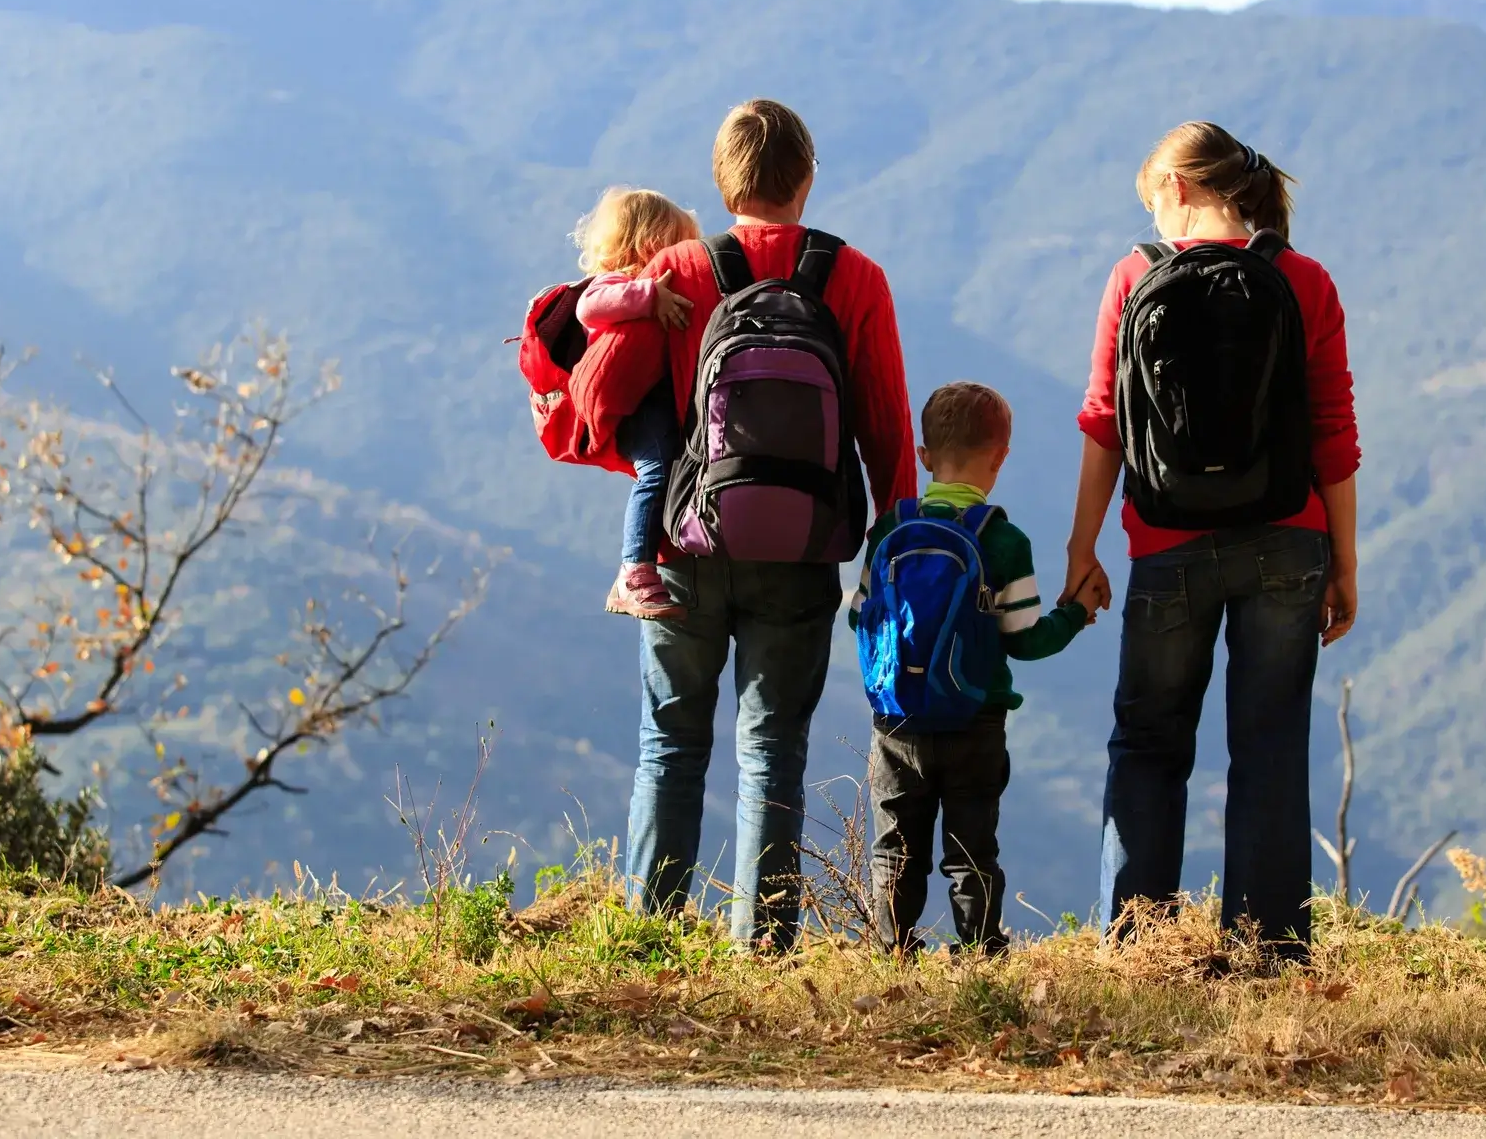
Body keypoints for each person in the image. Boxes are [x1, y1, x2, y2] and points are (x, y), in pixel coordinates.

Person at [575, 99, 916, 950]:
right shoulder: (857, 277)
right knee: (772, 749)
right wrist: (892, 542)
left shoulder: (683, 269)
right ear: (806, 180)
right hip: (804, 551)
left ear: (723, 182)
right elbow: (884, 421)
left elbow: (599, 397)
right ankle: (761, 942)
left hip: (686, 543)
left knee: (671, 740)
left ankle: (650, 934)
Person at [1063, 120, 1360, 959]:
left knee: (1150, 741)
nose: (1156, 223)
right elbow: (1334, 433)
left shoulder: (1134, 277)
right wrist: (1343, 562)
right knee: (1268, 743)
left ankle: (1137, 943)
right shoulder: (1304, 282)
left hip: (1166, 544)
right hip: (1287, 543)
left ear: (1182, 191)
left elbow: (1103, 423)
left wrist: (1082, 548)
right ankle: (1267, 950)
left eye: (1156, 202)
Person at [848, 382, 1090, 954]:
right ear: (1000, 456)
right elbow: (1028, 641)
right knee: (971, 844)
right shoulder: (1003, 541)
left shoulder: (889, 530)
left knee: (896, 843)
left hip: (897, 720)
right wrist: (1076, 613)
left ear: (924, 457)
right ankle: (979, 950)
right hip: (976, 720)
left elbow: (861, 619)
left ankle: (892, 949)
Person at [571, 187, 700, 622]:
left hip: (656, 399)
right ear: (649, 242)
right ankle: (634, 569)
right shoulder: (617, 283)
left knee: (670, 468)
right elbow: (589, 307)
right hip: (636, 406)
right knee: (657, 470)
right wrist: (648, 296)